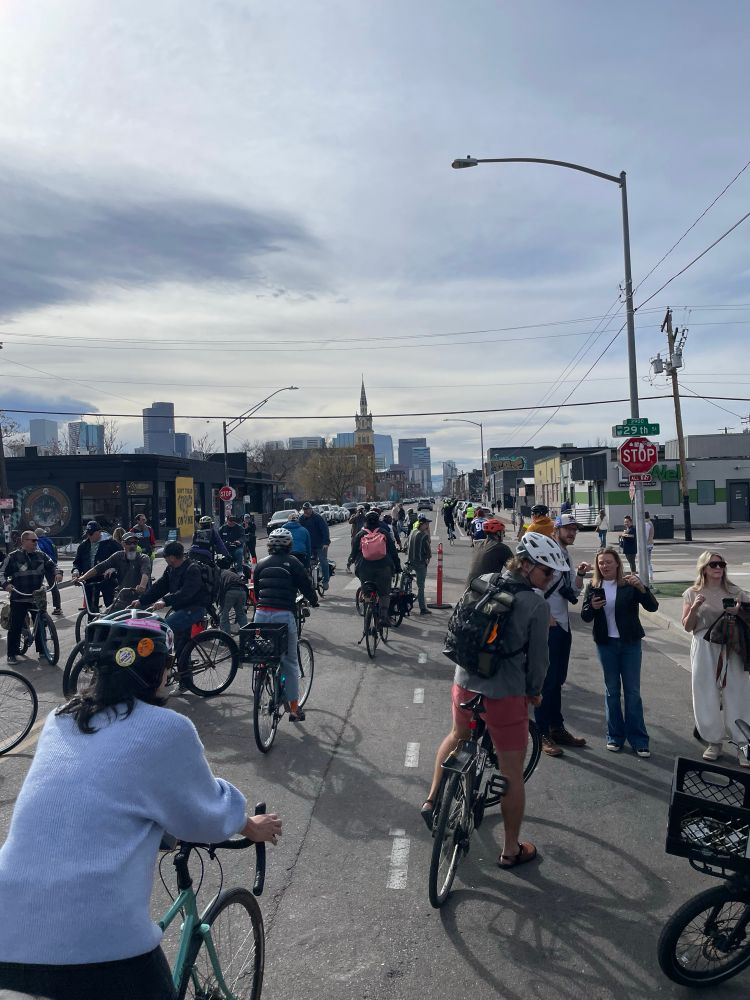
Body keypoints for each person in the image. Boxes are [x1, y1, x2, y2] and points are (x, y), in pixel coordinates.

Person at [0, 613, 281, 1000]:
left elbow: (96, 791)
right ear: (156, 672)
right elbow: (205, 815)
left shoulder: (60, 719)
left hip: (8, 930)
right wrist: (249, 824)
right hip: (96, 944)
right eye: (167, 665)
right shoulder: (164, 728)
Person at [422, 532, 568, 868]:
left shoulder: (484, 580)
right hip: (504, 693)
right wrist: (534, 690)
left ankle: (432, 801)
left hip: (465, 683)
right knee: (511, 773)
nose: (550, 580)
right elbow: (539, 660)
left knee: (457, 736)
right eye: (547, 572)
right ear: (528, 565)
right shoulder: (535, 605)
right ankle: (511, 850)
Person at [581, 547, 659, 757]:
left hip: (630, 644)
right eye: (601, 563)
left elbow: (652, 607)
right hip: (606, 645)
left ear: (617, 564)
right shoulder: (594, 585)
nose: (604, 566)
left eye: (608, 562)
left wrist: (643, 588)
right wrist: (593, 607)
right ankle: (615, 736)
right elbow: (585, 616)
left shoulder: (629, 585)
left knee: (632, 692)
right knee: (612, 691)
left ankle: (639, 739)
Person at [682, 552, 750, 765]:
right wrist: (695, 608)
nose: (718, 568)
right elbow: (687, 626)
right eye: (713, 564)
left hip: (733, 646)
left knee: (737, 692)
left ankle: (743, 743)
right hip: (704, 645)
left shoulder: (735, 591)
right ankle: (713, 741)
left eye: (721, 564)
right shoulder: (692, 593)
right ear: (704, 568)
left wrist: (738, 611)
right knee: (705, 692)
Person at [536, 514, 591, 757]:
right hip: (549, 626)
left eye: (574, 529)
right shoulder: (547, 551)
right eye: (567, 529)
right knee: (545, 683)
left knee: (557, 680)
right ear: (555, 529)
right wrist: (544, 615)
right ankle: (542, 733)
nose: (572, 533)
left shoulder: (565, 554)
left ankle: (557, 727)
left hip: (563, 626)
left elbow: (572, 591)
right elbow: (534, 585)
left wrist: (579, 575)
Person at [253, 528, 319, 721]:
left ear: (269, 546)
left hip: (261, 614)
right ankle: (294, 708)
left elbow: (257, 591)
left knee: (264, 654)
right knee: (289, 663)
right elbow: (306, 585)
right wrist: (313, 601)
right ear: (289, 545)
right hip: (283, 615)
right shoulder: (293, 563)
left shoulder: (261, 565)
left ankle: (262, 677)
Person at [135, 540, 210, 666]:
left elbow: (186, 593)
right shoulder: (171, 568)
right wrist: (141, 600)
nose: (164, 558)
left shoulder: (192, 569)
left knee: (162, 628)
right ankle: (183, 676)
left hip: (195, 609)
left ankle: (160, 665)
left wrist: (165, 601)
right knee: (181, 644)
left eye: (165, 556)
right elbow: (160, 587)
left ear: (172, 557)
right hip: (181, 609)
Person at [3, 531, 60, 665]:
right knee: (15, 626)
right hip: (19, 596)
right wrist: (6, 584)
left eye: (37, 541)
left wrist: (58, 573)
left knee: (41, 622)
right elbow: (1, 573)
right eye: (33, 541)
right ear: (24, 542)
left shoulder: (41, 556)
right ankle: (12, 653)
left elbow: (53, 565)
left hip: (37, 597)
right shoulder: (12, 557)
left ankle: (42, 650)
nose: (36, 543)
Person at [350, 510, 401, 628]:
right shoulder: (384, 532)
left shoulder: (360, 534)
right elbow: (393, 552)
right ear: (378, 521)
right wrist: (397, 567)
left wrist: (351, 561)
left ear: (365, 522)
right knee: (384, 593)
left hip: (365, 568)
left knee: (367, 591)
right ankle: (383, 616)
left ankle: (368, 610)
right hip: (383, 567)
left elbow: (353, 553)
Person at [77, 532, 151, 611]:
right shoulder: (118, 556)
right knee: (103, 618)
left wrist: (142, 586)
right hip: (122, 600)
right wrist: (82, 578)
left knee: (135, 622)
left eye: (135, 543)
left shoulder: (143, 558)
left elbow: (145, 573)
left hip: (140, 601)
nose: (132, 545)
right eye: (129, 543)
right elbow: (100, 567)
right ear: (123, 544)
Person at [73, 521, 122, 611]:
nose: (89, 536)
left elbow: (122, 557)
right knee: (91, 608)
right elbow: (77, 562)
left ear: (99, 532)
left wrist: (113, 569)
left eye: (91, 533)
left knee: (110, 605)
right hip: (89, 579)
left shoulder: (110, 543)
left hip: (107, 578)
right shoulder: (83, 546)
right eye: (88, 534)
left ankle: (111, 622)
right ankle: (92, 623)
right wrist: (76, 571)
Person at [465, 518, 511, 586]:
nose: (503, 535)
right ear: (498, 533)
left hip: (469, 589)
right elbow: (516, 570)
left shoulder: (478, 545)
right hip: (485, 591)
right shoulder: (501, 548)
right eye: (503, 532)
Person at [300, 501, 331, 591]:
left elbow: (325, 530)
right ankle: (309, 580)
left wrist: (326, 542)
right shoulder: (301, 519)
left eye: (308, 509)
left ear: (311, 509)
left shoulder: (318, 518)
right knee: (307, 563)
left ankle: (325, 581)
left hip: (320, 544)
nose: (306, 511)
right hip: (309, 546)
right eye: (304, 510)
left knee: (323, 561)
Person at [34, 528, 63, 616]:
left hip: (42, 566)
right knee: (53, 586)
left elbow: (39, 553)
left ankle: (40, 607)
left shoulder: (38, 543)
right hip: (51, 564)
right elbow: (55, 551)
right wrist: (55, 561)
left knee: (38, 587)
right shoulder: (50, 541)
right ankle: (58, 608)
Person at [408, 513, 432, 615]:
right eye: (427, 524)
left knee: (406, 580)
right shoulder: (424, 535)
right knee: (421, 586)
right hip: (420, 562)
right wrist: (427, 559)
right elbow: (428, 552)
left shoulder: (412, 532)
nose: (427, 526)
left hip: (410, 561)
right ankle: (422, 608)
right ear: (423, 524)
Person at [218, 561, 249, 634]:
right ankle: (247, 637)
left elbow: (218, 589)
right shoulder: (232, 574)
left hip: (230, 591)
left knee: (224, 615)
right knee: (241, 614)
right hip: (243, 591)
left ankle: (226, 640)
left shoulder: (219, 573)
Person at [644, 511, 655, 578]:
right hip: (650, 544)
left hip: (647, 545)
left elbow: (646, 535)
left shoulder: (646, 524)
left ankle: (650, 575)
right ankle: (650, 575)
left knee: (647, 561)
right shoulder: (650, 523)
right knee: (648, 560)